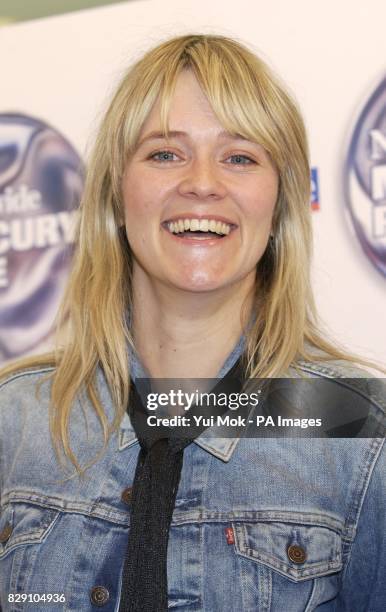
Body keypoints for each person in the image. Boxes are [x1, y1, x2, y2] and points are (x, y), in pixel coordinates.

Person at [0, 34, 385, 612]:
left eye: (240, 157)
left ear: (278, 204)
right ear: (114, 193)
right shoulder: (15, 421)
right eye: (164, 153)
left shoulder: (357, 430)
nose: (203, 182)